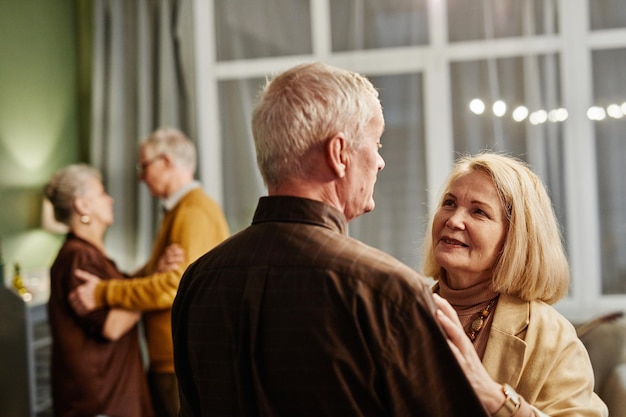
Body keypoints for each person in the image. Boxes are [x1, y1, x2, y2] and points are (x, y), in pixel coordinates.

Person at [171, 62, 490, 417]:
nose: (380, 162)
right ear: (339, 154)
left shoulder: (198, 281)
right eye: (376, 142)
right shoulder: (387, 294)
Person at [422, 152, 608, 417]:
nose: (453, 220)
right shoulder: (402, 312)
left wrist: (496, 398)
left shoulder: (552, 336)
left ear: (515, 238)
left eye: (478, 211)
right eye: (449, 203)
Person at [68, 128, 230, 417]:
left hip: (178, 360)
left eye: (144, 166)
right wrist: (155, 269)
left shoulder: (192, 212)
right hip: (173, 357)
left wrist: (102, 292)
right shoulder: (181, 210)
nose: (141, 176)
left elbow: (174, 287)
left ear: (166, 162)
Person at [44, 164, 156, 417]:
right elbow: (111, 325)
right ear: (82, 206)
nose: (110, 199)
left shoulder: (89, 254)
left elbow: (123, 288)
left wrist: (155, 267)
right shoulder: (79, 258)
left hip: (108, 390)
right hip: (100, 398)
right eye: (102, 193)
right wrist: (160, 287)